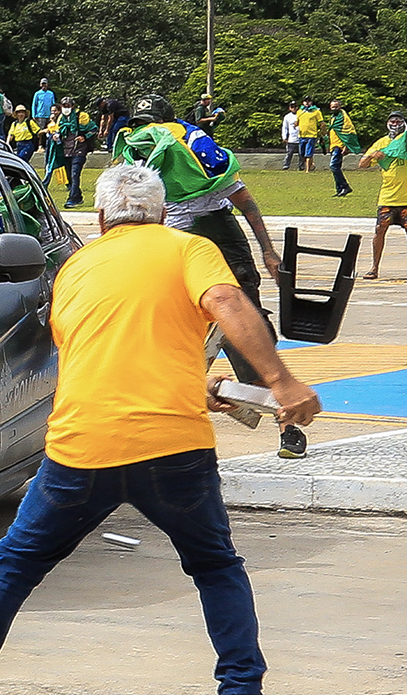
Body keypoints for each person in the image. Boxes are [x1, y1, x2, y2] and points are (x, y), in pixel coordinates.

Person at [0, 163, 321, 695]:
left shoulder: (75, 268)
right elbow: (226, 300)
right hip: (173, 450)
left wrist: (197, 383)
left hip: (83, 450)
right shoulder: (188, 249)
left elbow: (104, 353)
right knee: (214, 567)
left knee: (14, 566)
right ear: (159, 212)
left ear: (102, 218)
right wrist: (279, 382)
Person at [115, 93, 306, 458]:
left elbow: (245, 202)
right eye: (140, 127)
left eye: (151, 125)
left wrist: (267, 250)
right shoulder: (139, 165)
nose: (146, 133)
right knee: (170, 336)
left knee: (248, 333)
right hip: (173, 241)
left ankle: (289, 427)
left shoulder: (199, 154)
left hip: (219, 237)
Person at [357, 109, 407, 280]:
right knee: (380, 230)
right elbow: (362, 164)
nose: (395, 125)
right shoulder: (382, 142)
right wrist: (373, 155)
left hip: (406, 199)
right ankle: (374, 267)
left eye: (398, 121)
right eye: (392, 121)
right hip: (388, 197)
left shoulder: (405, 141)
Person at [56, 96, 94, 207]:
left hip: (79, 149)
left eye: (68, 105)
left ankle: (72, 199)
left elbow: (93, 129)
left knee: (75, 174)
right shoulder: (61, 118)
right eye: (64, 106)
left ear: (73, 106)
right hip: (66, 150)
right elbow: (56, 130)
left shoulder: (81, 117)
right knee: (69, 176)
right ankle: (78, 196)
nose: (66, 108)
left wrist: (84, 137)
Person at [325, 99, 358, 197]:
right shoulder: (333, 118)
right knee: (335, 167)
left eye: (336, 106)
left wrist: (346, 146)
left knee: (333, 166)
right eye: (332, 107)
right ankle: (340, 189)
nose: (334, 108)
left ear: (340, 107)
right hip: (333, 145)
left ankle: (345, 186)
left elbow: (348, 132)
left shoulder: (343, 118)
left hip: (339, 146)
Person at [296, 96, 324, 172]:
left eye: (309, 101)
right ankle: (311, 165)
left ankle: (307, 170)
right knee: (302, 153)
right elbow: (297, 122)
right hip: (302, 135)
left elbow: (321, 122)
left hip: (311, 135)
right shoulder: (299, 111)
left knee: (308, 152)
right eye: (305, 101)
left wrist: (322, 132)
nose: (307, 103)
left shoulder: (316, 111)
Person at [281, 102, 300, 170]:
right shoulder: (287, 117)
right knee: (289, 153)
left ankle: (301, 166)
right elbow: (285, 127)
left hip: (300, 137)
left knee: (301, 153)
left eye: (295, 107)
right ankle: (286, 165)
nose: (294, 108)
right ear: (289, 108)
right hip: (291, 138)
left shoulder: (301, 115)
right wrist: (284, 137)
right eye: (292, 107)